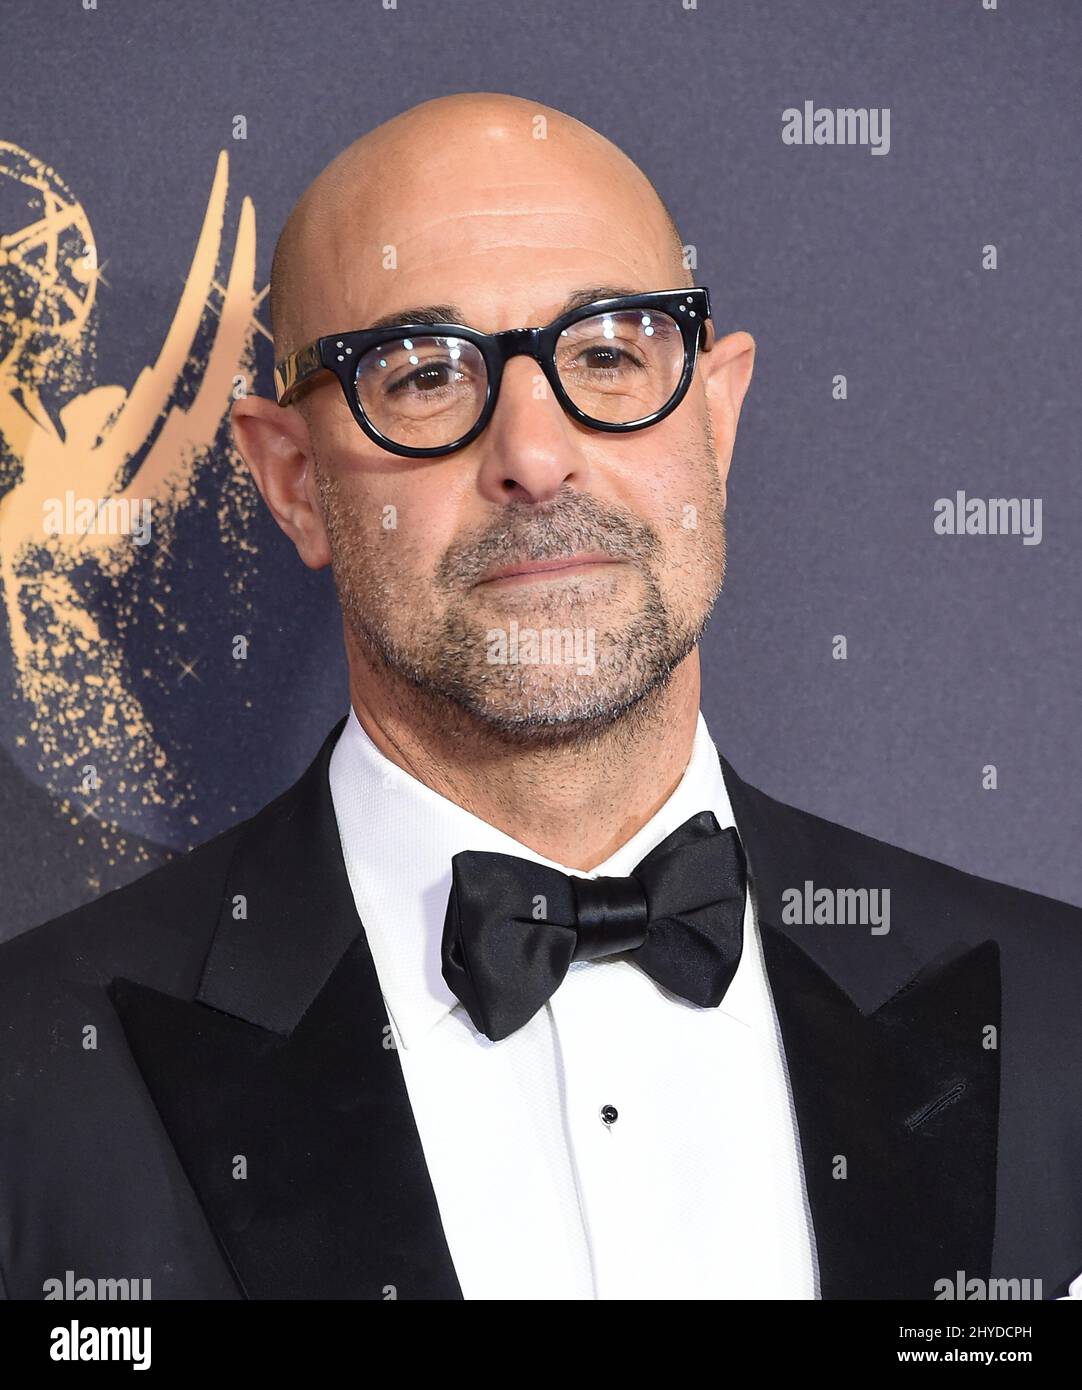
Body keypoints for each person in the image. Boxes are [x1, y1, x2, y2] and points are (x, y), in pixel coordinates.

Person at [1, 91, 1079, 1302]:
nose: (533, 450)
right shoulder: (31, 1083)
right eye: (420, 376)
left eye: (608, 353)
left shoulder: (1057, 1021)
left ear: (713, 422)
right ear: (293, 480)